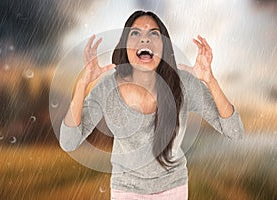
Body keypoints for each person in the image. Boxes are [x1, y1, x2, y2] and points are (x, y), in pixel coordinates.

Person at [59, 10, 244, 200]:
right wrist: (82, 84)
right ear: (124, 45)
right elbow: (69, 142)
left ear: (164, 46)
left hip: (173, 188)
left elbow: (235, 132)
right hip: (126, 190)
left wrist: (210, 80)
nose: (145, 40)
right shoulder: (107, 88)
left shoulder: (183, 84)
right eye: (135, 33)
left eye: (153, 34)